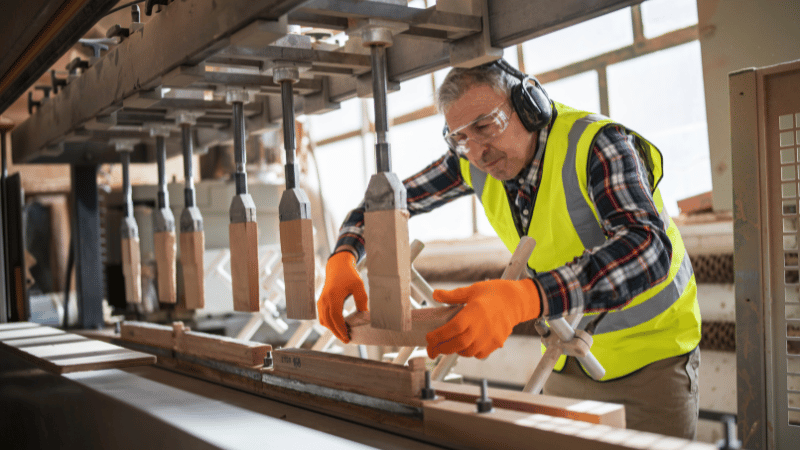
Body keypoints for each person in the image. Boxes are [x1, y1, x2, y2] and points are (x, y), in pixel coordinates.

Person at [316, 59, 701, 439]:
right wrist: (343, 256)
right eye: (461, 138)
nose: (478, 151)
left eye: (486, 126)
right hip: (566, 359)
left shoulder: (598, 144)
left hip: (653, 364)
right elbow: (385, 202)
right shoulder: (472, 160)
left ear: (530, 105)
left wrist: (526, 298)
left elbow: (648, 248)